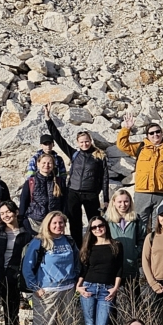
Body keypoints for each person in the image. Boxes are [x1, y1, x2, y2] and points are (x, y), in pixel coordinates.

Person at [21, 211, 80, 325]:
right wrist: (35, 288)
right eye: (54, 223)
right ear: (47, 224)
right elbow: (27, 267)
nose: (58, 226)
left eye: (61, 223)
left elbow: (77, 261)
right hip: (47, 292)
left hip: (67, 289)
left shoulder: (69, 241)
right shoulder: (39, 242)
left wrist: (75, 279)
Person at [45, 104, 110, 243]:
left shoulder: (99, 156)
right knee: (74, 223)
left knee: (94, 222)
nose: (84, 144)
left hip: (91, 193)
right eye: (81, 142)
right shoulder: (74, 154)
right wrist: (48, 120)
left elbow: (105, 178)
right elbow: (59, 139)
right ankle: (77, 249)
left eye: (86, 141)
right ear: (78, 143)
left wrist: (105, 199)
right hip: (73, 193)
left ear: (90, 141)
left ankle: (92, 247)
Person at [77, 215, 123, 325]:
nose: (98, 229)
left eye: (100, 225)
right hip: (88, 288)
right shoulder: (88, 247)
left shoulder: (116, 245)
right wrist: (79, 287)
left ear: (106, 226)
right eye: (94, 227)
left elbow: (119, 269)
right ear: (90, 230)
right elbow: (83, 269)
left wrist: (115, 288)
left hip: (106, 289)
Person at [17, 153, 67, 232]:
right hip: (34, 223)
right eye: (43, 163)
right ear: (38, 164)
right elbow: (24, 202)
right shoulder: (30, 182)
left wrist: (63, 218)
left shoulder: (59, 182)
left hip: (53, 223)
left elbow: (64, 202)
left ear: (53, 165)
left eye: (49, 163)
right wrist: (20, 220)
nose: (46, 165)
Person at [106, 189, 144, 285]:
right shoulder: (106, 220)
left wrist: (135, 252)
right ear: (114, 202)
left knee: (133, 297)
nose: (123, 205)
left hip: (130, 266)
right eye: (119, 202)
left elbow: (142, 239)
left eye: (126, 201)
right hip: (112, 266)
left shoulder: (136, 219)